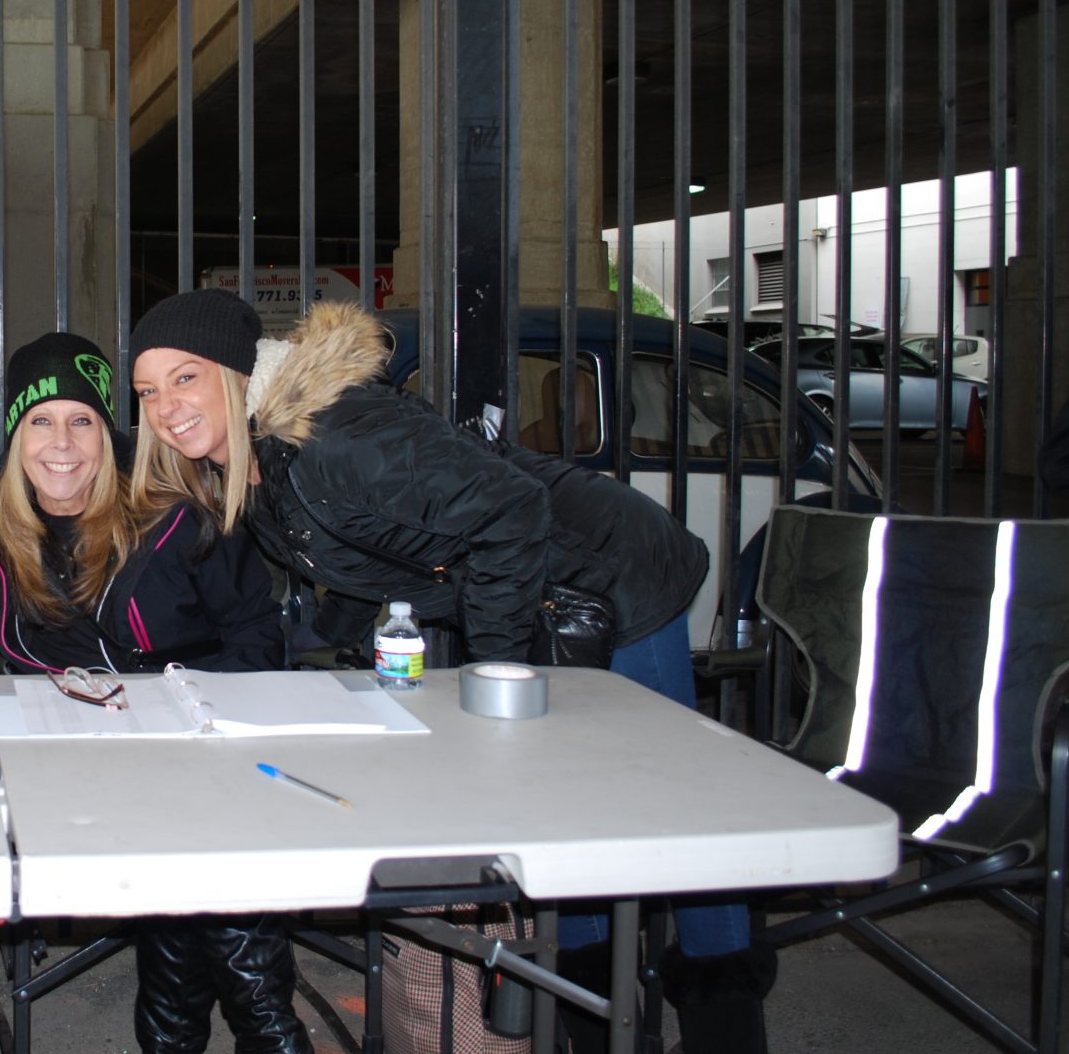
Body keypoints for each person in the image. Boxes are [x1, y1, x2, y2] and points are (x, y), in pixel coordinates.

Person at [128, 290, 772, 1054]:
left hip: (615, 578)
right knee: (570, 817)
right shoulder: (259, 463)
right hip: (534, 596)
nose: (166, 406)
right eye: (148, 390)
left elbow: (514, 512)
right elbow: (366, 558)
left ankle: (725, 1023)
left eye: (185, 378)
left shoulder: (336, 437)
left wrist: (492, 673)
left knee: (673, 812)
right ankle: (597, 1017)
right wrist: (307, 652)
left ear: (237, 376)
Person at [0, 331, 309, 1054]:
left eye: (82, 419)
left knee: (196, 828)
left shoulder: (173, 514)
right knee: (195, 844)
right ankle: (262, 1031)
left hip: (194, 744)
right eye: (41, 420)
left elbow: (254, 628)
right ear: (14, 434)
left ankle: (225, 1029)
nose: (62, 443)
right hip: (58, 768)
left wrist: (206, 720)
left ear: (109, 433)